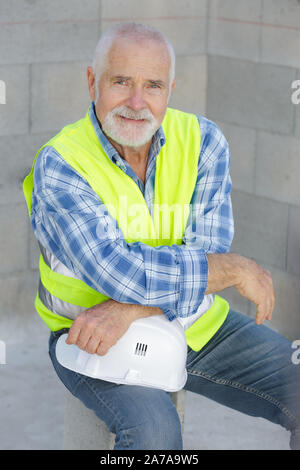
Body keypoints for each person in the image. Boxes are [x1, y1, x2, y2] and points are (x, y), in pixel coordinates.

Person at [23, 22, 300, 450]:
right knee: (154, 434)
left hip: (194, 323)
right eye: (121, 82)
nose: (137, 103)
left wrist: (131, 309)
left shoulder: (204, 141)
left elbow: (207, 250)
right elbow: (115, 272)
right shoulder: (62, 164)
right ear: (92, 82)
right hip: (91, 335)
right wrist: (229, 270)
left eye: (152, 86)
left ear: (170, 90)